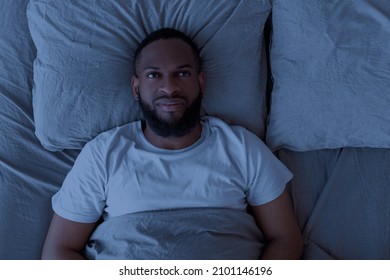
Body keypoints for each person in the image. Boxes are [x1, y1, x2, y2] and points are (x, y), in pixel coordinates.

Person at [41, 28, 303, 260]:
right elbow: (58, 250)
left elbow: (286, 239)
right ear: (136, 88)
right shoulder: (103, 154)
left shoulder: (242, 147)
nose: (169, 87)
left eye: (182, 73)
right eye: (154, 75)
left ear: (200, 82)